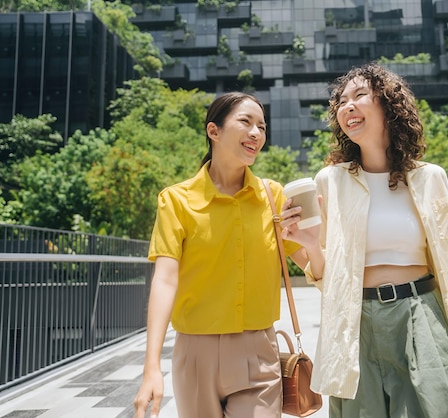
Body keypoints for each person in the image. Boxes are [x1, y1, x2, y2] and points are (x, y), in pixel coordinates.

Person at [280, 63, 448, 418]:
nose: (348, 106)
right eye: (342, 101)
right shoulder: (329, 182)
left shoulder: (430, 179)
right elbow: (326, 278)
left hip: (421, 315)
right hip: (353, 324)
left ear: (388, 104)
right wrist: (309, 246)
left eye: (360, 95)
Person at [133, 92, 324, 418]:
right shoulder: (176, 201)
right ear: (214, 131)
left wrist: (312, 242)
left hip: (259, 352)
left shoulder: (273, 196)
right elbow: (165, 281)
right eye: (246, 122)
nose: (257, 133)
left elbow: (312, 267)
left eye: (262, 127)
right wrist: (152, 366)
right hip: (195, 355)